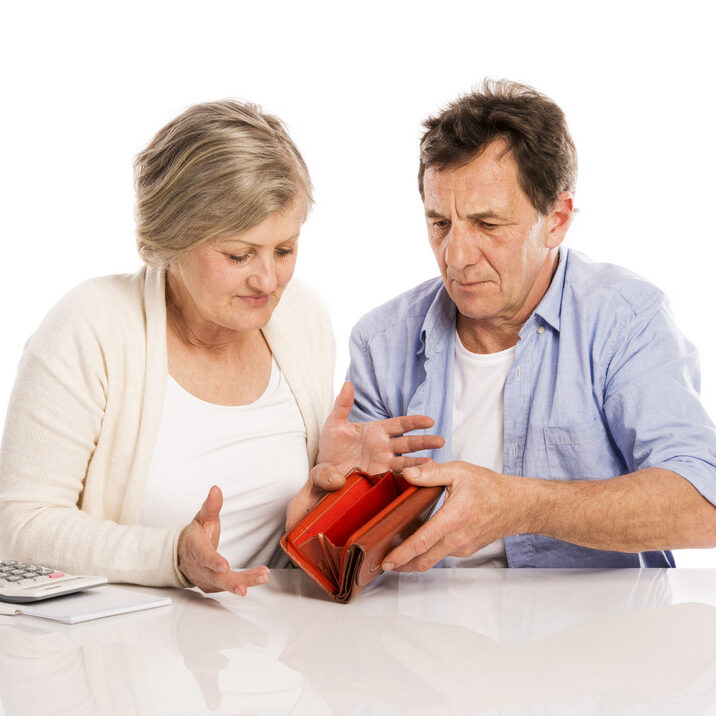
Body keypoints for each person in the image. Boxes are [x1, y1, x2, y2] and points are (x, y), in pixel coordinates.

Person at [0, 100, 441, 595]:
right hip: (124, 653)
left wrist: (325, 501)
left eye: (284, 249)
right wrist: (171, 557)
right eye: (238, 254)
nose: (268, 279)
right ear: (173, 240)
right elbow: (20, 526)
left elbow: (287, 557)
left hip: (283, 655)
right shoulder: (90, 326)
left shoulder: (301, 317)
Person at [342, 79, 716, 570]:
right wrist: (335, 494)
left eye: (488, 225)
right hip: (426, 630)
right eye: (440, 223)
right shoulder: (380, 340)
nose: (455, 256)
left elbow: (703, 506)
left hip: (599, 634)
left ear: (557, 219)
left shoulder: (626, 318)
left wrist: (519, 507)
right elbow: (353, 548)